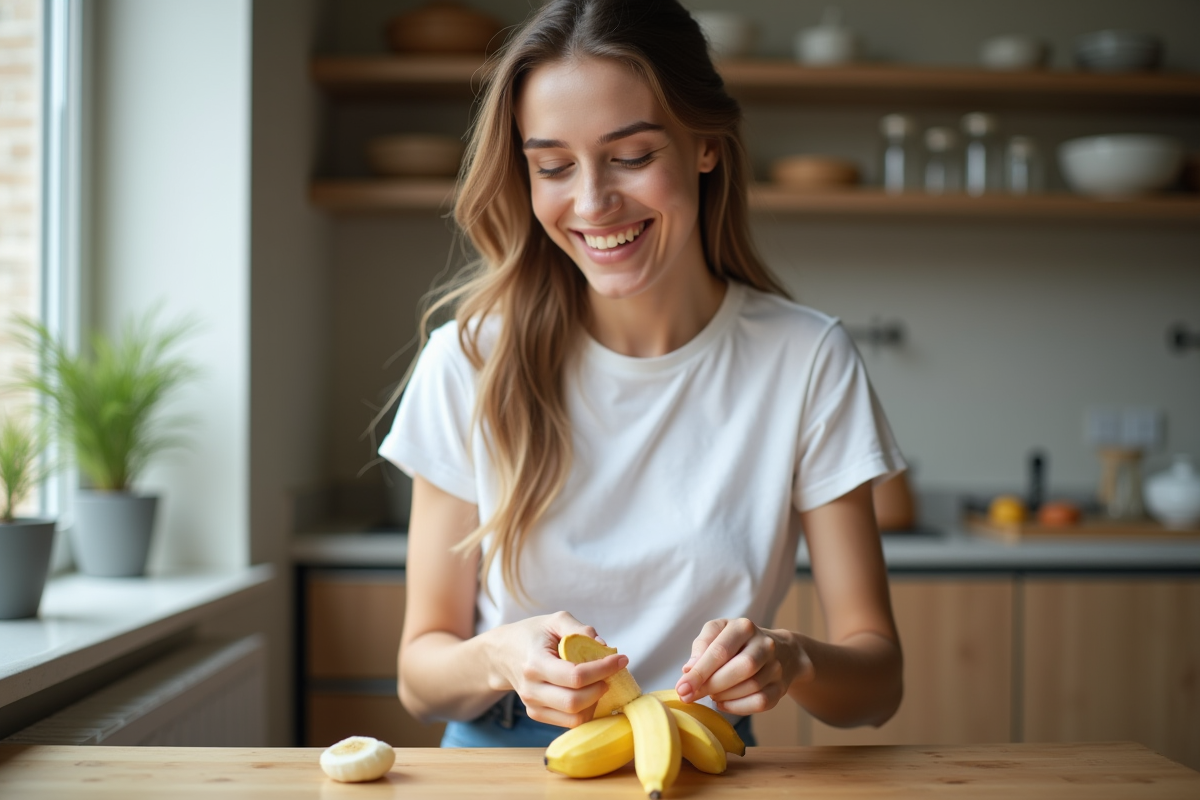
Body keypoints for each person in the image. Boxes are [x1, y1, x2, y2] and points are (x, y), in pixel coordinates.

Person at [380, 0, 905, 749]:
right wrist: (498, 657)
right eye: (553, 166)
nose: (592, 202)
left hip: (702, 756)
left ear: (705, 146)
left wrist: (792, 658)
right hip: (502, 755)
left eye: (631, 156)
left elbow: (878, 685)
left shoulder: (806, 359)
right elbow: (419, 680)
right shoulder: (469, 360)